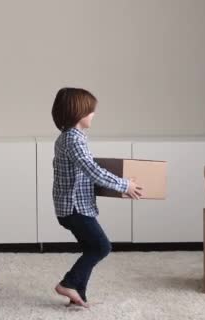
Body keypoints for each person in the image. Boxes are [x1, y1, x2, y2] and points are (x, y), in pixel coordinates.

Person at [50, 87, 143, 308]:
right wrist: (125, 185)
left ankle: (77, 296)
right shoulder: (74, 140)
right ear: (78, 112)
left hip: (72, 208)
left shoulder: (69, 138)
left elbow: (87, 170)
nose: (94, 115)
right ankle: (68, 283)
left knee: (91, 249)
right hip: (75, 209)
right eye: (91, 111)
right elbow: (93, 170)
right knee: (102, 247)